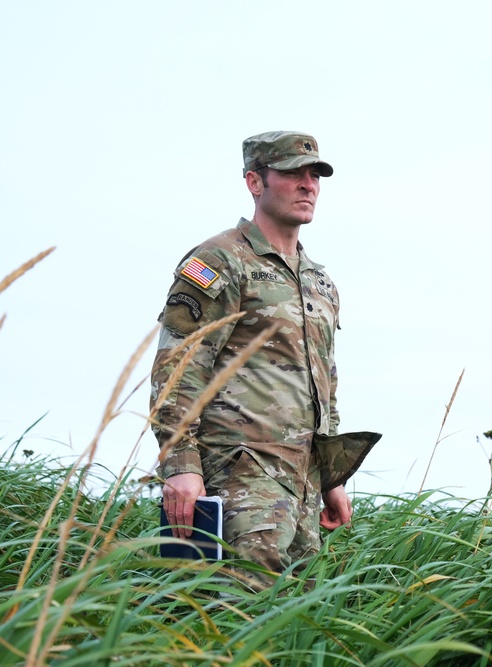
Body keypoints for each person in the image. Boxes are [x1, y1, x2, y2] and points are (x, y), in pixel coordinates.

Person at [150, 130, 379, 582]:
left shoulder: (320, 281)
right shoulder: (220, 260)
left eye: (315, 175)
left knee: (293, 624)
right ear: (255, 182)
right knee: (234, 614)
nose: (308, 184)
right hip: (239, 474)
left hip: (303, 481)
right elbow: (178, 368)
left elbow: (323, 383)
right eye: (293, 173)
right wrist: (181, 468)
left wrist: (331, 478)